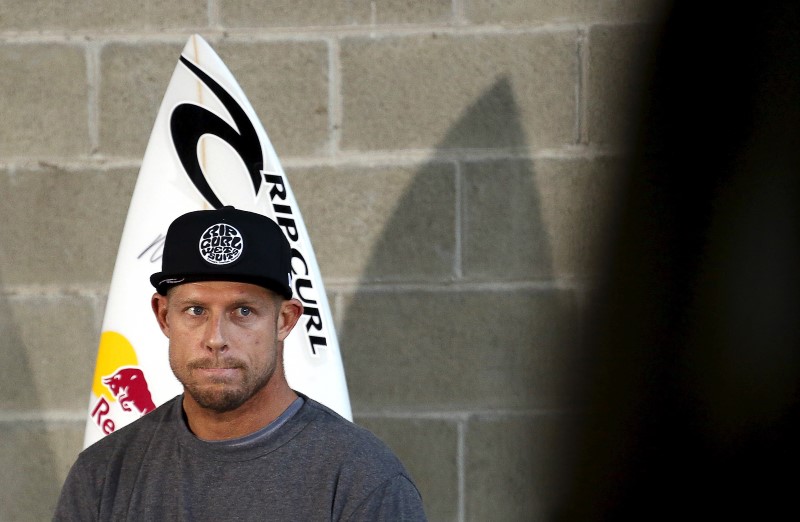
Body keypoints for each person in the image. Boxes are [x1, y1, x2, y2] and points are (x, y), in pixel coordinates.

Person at [54, 206, 427, 521]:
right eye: (195, 310)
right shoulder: (103, 475)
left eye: (243, 311)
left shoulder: (363, 480)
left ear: (285, 320)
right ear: (164, 316)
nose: (216, 338)